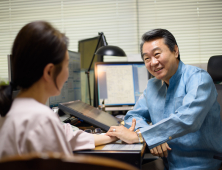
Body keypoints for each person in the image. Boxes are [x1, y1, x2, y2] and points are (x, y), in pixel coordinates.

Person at [106, 29, 222, 170]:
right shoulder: (153, 85)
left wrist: (142, 137)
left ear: (175, 51)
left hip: (200, 165)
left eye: (157, 54)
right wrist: (152, 135)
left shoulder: (199, 78)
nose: (153, 62)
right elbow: (133, 116)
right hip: (166, 163)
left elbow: (188, 119)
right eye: (147, 58)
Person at [0, 21, 117, 159]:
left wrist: (106, 137)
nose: (68, 74)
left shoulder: (10, 109)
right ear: (49, 71)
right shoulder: (41, 117)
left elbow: (64, 134)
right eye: (66, 65)